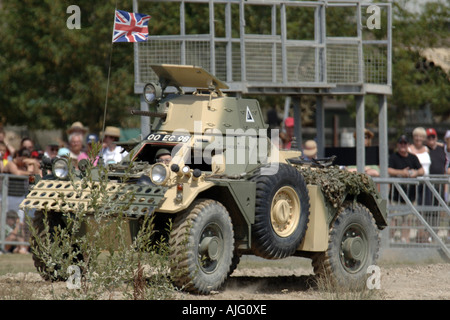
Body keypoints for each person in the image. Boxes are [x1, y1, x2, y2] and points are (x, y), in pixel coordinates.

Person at [388, 134, 424, 201]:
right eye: (400, 143)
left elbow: (422, 171)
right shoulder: (393, 157)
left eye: (405, 143)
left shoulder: (413, 157)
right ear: (397, 144)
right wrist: (401, 172)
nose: (403, 145)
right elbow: (388, 170)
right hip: (396, 198)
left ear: (408, 145)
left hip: (411, 198)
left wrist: (416, 173)